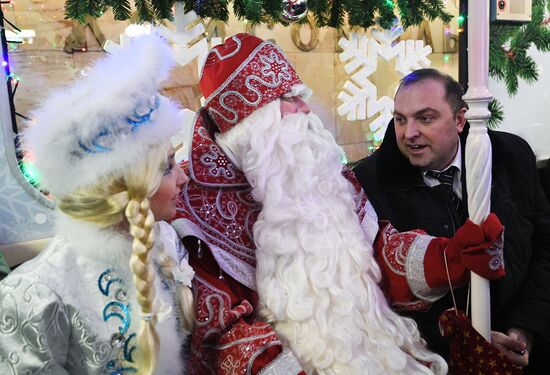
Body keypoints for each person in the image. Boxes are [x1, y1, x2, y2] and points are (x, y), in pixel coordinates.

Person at [171, 33, 447, 374]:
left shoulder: (323, 171)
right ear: (251, 122)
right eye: (290, 98)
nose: (306, 108)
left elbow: (373, 254)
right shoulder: (189, 205)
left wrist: (445, 258)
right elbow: (220, 332)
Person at [0, 34, 195, 374]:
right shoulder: (35, 296)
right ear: (125, 187)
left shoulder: (165, 243)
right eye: (166, 167)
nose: (184, 179)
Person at [353, 68, 550, 371]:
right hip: (435, 359)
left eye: (425, 118)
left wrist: (524, 329)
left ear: (460, 120)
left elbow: (544, 245)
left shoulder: (510, 155)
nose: (409, 133)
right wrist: (465, 341)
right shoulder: (370, 184)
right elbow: (374, 293)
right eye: (400, 119)